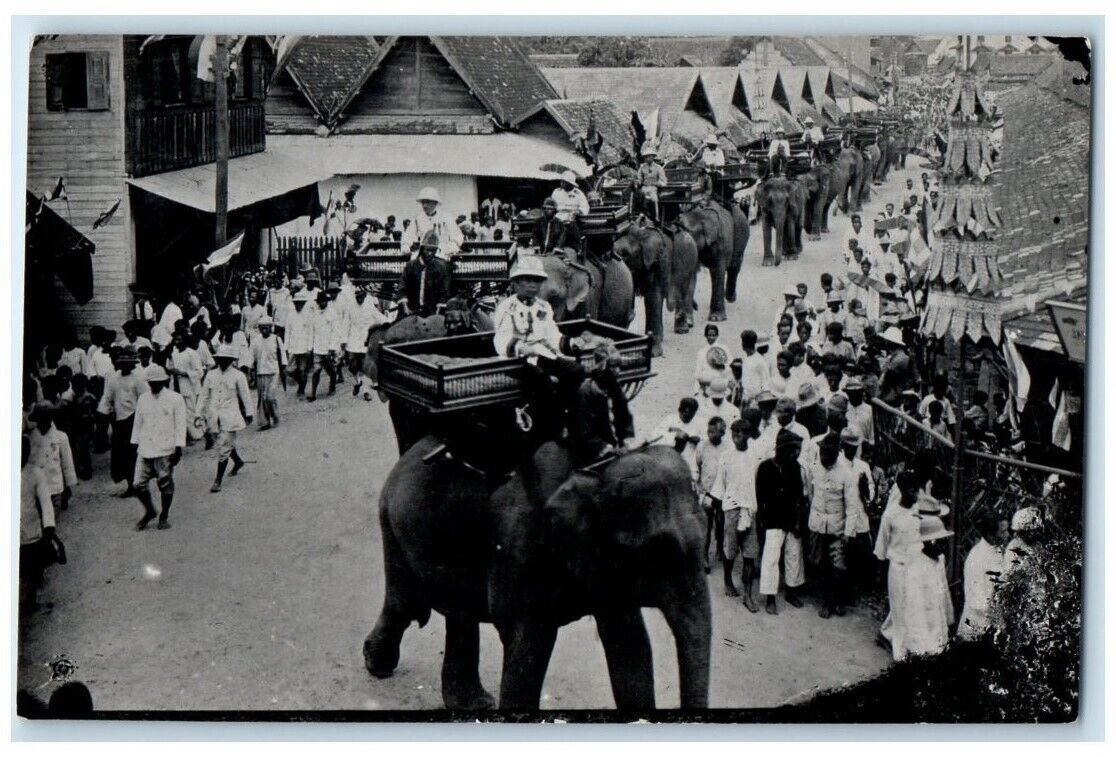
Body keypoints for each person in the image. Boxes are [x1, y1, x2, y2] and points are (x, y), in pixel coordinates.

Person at [493, 254, 584, 439]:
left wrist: (570, 342)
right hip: (515, 360)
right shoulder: (507, 307)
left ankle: (568, 418)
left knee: (576, 370)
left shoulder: (543, 307)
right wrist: (520, 347)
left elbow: (552, 335)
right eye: (527, 280)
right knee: (542, 379)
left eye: (537, 280)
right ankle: (548, 428)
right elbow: (501, 338)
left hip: (541, 354)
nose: (533, 285)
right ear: (515, 283)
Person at [709, 417, 761, 611]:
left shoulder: (755, 456)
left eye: (741, 433)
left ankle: (747, 595)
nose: (737, 437)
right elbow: (720, 486)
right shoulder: (726, 457)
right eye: (734, 433)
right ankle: (727, 581)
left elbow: (758, 484)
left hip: (750, 509)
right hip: (731, 508)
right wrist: (719, 513)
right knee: (730, 551)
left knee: (749, 554)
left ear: (748, 435)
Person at [807, 436, 861, 618]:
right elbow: (811, 494)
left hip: (837, 528)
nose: (824, 456)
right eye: (822, 452)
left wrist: (848, 533)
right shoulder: (814, 468)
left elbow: (852, 506)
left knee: (838, 566)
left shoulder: (846, 473)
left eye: (828, 454)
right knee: (819, 563)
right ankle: (828, 599)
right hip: (817, 526)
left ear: (837, 454)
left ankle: (835, 601)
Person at [756, 427, 808, 614]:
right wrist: (761, 522)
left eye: (797, 451)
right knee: (771, 558)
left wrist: (798, 522)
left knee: (793, 556)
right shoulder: (765, 467)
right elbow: (760, 498)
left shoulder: (795, 467)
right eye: (793, 450)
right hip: (772, 520)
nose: (796, 454)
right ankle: (770, 597)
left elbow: (799, 497)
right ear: (782, 449)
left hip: (791, 519)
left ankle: (791, 591)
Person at [130, 365, 186, 531]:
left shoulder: (175, 399)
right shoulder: (143, 399)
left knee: (165, 483)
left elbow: (180, 425)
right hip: (145, 447)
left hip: (165, 448)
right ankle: (150, 511)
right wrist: (134, 444)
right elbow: (138, 423)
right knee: (138, 484)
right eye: (151, 382)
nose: (154, 385)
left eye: (158, 382)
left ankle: (164, 515)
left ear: (164, 381)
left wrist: (179, 447)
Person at [893, 516, 954, 660]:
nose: (945, 545)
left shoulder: (939, 561)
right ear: (931, 542)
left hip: (938, 628)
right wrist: (926, 648)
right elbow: (914, 614)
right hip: (923, 639)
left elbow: (944, 592)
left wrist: (949, 620)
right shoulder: (916, 569)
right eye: (941, 541)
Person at [199, 344, 253, 493]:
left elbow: (245, 395)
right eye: (220, 359)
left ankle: (218, 480)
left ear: (230, 360)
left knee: (223, 446)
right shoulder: (210, 375)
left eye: (226, 359)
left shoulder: (238, 375)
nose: (222, 361)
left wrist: (249, 412)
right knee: (222, 443)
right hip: (214, 416)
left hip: (230, 415)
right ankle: (238, 461)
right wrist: (198, 413)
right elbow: (203, 395)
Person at [572, 343, 634, 463]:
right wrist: (607, 448)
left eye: (619, 366)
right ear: (601, 368)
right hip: (595, 451)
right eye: (613, 367)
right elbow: (584, 430)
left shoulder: (615, 387)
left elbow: (625, 416)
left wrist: (626, 441)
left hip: (617, 447)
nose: (618, 371)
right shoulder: (585, 392)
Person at [97, 349, 148, 497]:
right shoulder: (114, 379)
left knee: (133, 454)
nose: (125, 366)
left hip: (134, 419)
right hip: (119, 421)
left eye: (128, 364)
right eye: (122, 363)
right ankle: (129, 483)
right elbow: (107, 398)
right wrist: (103, 414)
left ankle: (136, 484)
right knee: (121, 455)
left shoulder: (138, 379)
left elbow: (145, 400)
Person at [20, 435, 58, 615]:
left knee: (32, 567)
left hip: (30, 529)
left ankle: (31, 599)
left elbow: (45, 502)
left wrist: (49, 526)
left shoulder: (35, 473)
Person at [957, 511, 1008, 640]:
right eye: (1002, 532)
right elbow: (977, 600)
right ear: (990, 534)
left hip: (994, 622)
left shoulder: (996, 550)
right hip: (978, 625)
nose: (1007, 535)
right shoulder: (977, 558)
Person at [28, 403, 77, 515]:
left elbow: (67, 463)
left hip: (55, 486)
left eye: (47, 417)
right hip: (36, 488)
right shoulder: (30, 438)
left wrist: (68, 485)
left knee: (50, 516)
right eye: (41, 418)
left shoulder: (61, 437)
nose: (44, 421)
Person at [696, 416, 729, 571]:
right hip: (707, 492)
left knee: (721, 522)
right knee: (706, 524)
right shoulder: (702, 446)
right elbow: (698, 465)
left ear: (722, 432)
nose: (710, 434)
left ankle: (720, 548)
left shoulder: (727, 447)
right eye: (709, 431)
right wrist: (700, 487)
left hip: (721, 492)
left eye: (714, 432)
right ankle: (704, 557)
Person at [341, 287, 386, 398]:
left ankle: (366, 392)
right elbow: (345, 323)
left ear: (365, 296)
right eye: (357, 297)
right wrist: (343, 340)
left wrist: (388, 321)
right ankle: (358, 382)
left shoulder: (369, 305)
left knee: (365, 366)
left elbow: (378, 317)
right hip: (352, 340)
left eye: (361, 297)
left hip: (365, 339)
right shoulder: (350, 306)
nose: (359, 299)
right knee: (352, 366)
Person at [398, 231, 453, 318]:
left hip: (432, 312)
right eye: (427, 250)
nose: (430, 253)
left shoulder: (440, 267)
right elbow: (402, 288)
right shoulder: (410, 265)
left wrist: (437, 313)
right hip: (411, 310)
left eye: (433, 251)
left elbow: (444, 292)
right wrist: (405, 308)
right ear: (422, 249)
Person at [401, 186, 463, 261]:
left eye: (427, 202)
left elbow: (457, 237)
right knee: (412, 265)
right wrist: (405, 245)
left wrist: (448, 248)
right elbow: (408, 235)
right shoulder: (417, 218)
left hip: (441, 255)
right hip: (423, 255)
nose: (424, 205)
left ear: (435, 202)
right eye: (423, 202)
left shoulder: (446, 217)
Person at [166, 332, 205, 443]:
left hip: (189, 387)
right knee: (178, 412)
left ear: (185, 341)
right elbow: (169, 368)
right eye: (175, 340)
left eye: (179, 339)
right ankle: (185, 436)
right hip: (176, 387)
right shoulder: (173, 354)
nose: (177, 342)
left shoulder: (191, 354)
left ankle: (198, 434)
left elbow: (199, 372)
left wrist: (182, 373)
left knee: (191, 412)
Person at [250, 316, 287, 429]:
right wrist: (250, 369)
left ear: (271, 327)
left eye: (266, 327)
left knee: (270, 397)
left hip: (273, 372)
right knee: (262, 399)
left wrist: (283, 370)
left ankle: (275, 416)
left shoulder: (276, 339)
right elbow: (251, 356)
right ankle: (265, 421)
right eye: (261, 328)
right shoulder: (256, 341)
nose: (264, 330)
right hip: (260, 372)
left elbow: (282, 356)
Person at [308, 291, 340, 402]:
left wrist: (332, 348)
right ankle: (313, 394)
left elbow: (335, 332)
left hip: (328, 348)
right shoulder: (314, 315)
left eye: (325, 301)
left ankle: (332, 387)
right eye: (321, 301)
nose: (323, 303)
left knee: (331, 370)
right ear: (318, 302)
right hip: (317, 348)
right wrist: (310, 347)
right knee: (316, 371)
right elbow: (311, 331)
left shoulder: (332, 314)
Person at [285, 290, 315, 397]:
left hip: (304, 346)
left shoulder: (308, 315)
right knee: (290, 370)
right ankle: (300, 383)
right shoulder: (290, 315)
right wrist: (286, 347)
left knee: (302, 370)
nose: (299, 305)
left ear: (304, 303)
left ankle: (301, 389)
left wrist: (309, 348)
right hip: (293, 347)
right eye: (297, 303)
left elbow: (311, 332)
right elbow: (287, 332)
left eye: (301, 303)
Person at [550, 170, 589, 251]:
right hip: (558, 216)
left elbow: (585, 207)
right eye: (562, 181)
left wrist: (578, 212)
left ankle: (564, 246)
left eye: (564, 182)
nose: (561, 183)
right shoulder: (557, 192)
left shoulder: (578, 193)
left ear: (570, 183)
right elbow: (552, 205)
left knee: (568, 224)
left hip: (572, 217)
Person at [635, 145, 667, 223]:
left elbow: (663, 181)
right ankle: (640, 215)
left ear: (653, 157)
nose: (647, 158)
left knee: (654, 199)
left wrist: (657, 183)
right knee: (639, 196)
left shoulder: (658, 167)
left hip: (653, 188)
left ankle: (656, 217)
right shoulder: (642, 167)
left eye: (649, 156)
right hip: (644, 187)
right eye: (646, 157)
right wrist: (638, 182)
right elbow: (639, 178)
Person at [738, 330, 770, 407]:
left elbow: (765, 383)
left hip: (756, 402)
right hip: (746, 400)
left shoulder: (759, 360)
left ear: (743, 344)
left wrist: (760, 401)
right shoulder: (746, 359)